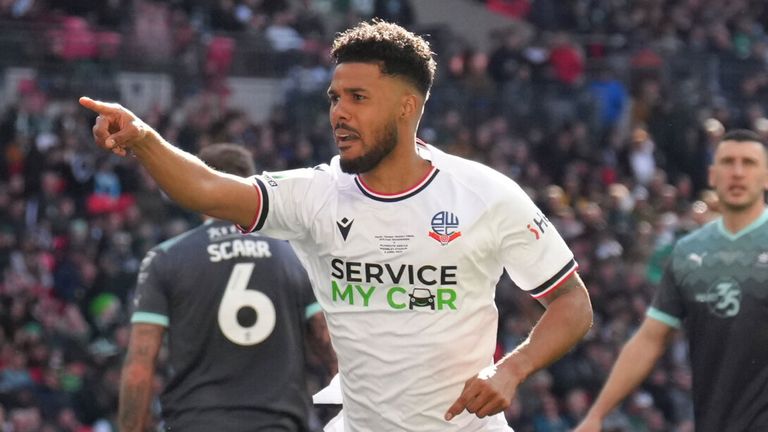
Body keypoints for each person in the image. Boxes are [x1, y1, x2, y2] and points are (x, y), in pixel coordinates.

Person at [81, 20, 592, 432]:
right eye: (335, 98)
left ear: (408, 107)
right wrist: (145, 138)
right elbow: (209, 190)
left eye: (358, 98)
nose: (339, 113)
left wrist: (512, 369)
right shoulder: (315, 194)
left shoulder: (485, 194)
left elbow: (573, 303)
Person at [118, 143, 337, 432]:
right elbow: (330, 347)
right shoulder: (293, 256)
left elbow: (139, 367)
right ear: (250, 183)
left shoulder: (166, 258)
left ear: (195, 184)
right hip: (277, 423)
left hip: (196, 422)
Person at [574, 129, 768, 432]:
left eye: (749, 163)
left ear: (766, 176)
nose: (738, 172)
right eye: (728, 162)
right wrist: (597, 414)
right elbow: (650, 339)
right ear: (713, 175)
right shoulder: (689, 251)